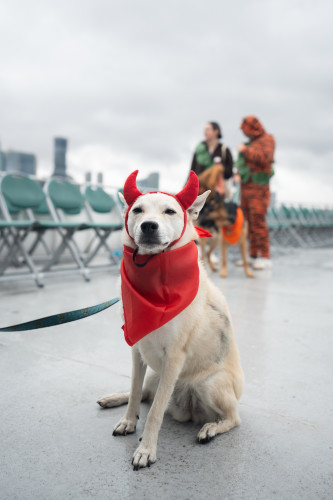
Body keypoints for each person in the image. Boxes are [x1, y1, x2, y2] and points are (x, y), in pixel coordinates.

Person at [236, 116, 275, 270]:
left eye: (245, 130)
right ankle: (252, 256)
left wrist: (246, 150)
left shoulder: (267, 140)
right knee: (248, 223)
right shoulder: (252, 142)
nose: (244, 134)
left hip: (259, 189)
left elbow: (266, 158)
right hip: (246, 189)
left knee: (258, 221)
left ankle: (265, 256)